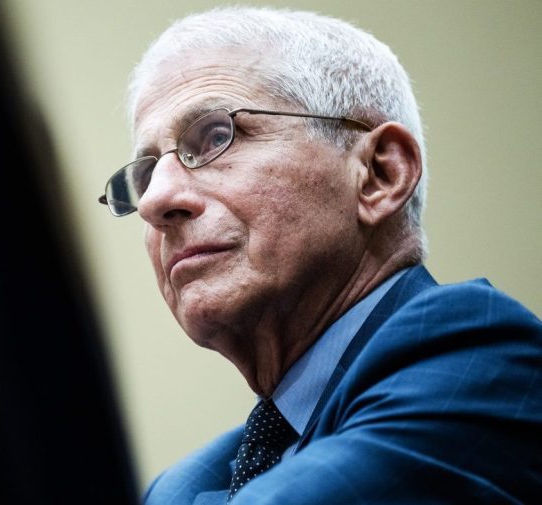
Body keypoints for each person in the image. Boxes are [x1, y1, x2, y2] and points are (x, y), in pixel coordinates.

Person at [97, 5, 542, 504]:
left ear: (380, 175)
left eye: (218, 137)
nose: (154, 201)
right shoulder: (181, 487)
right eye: (146, 175)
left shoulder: (482, 359)